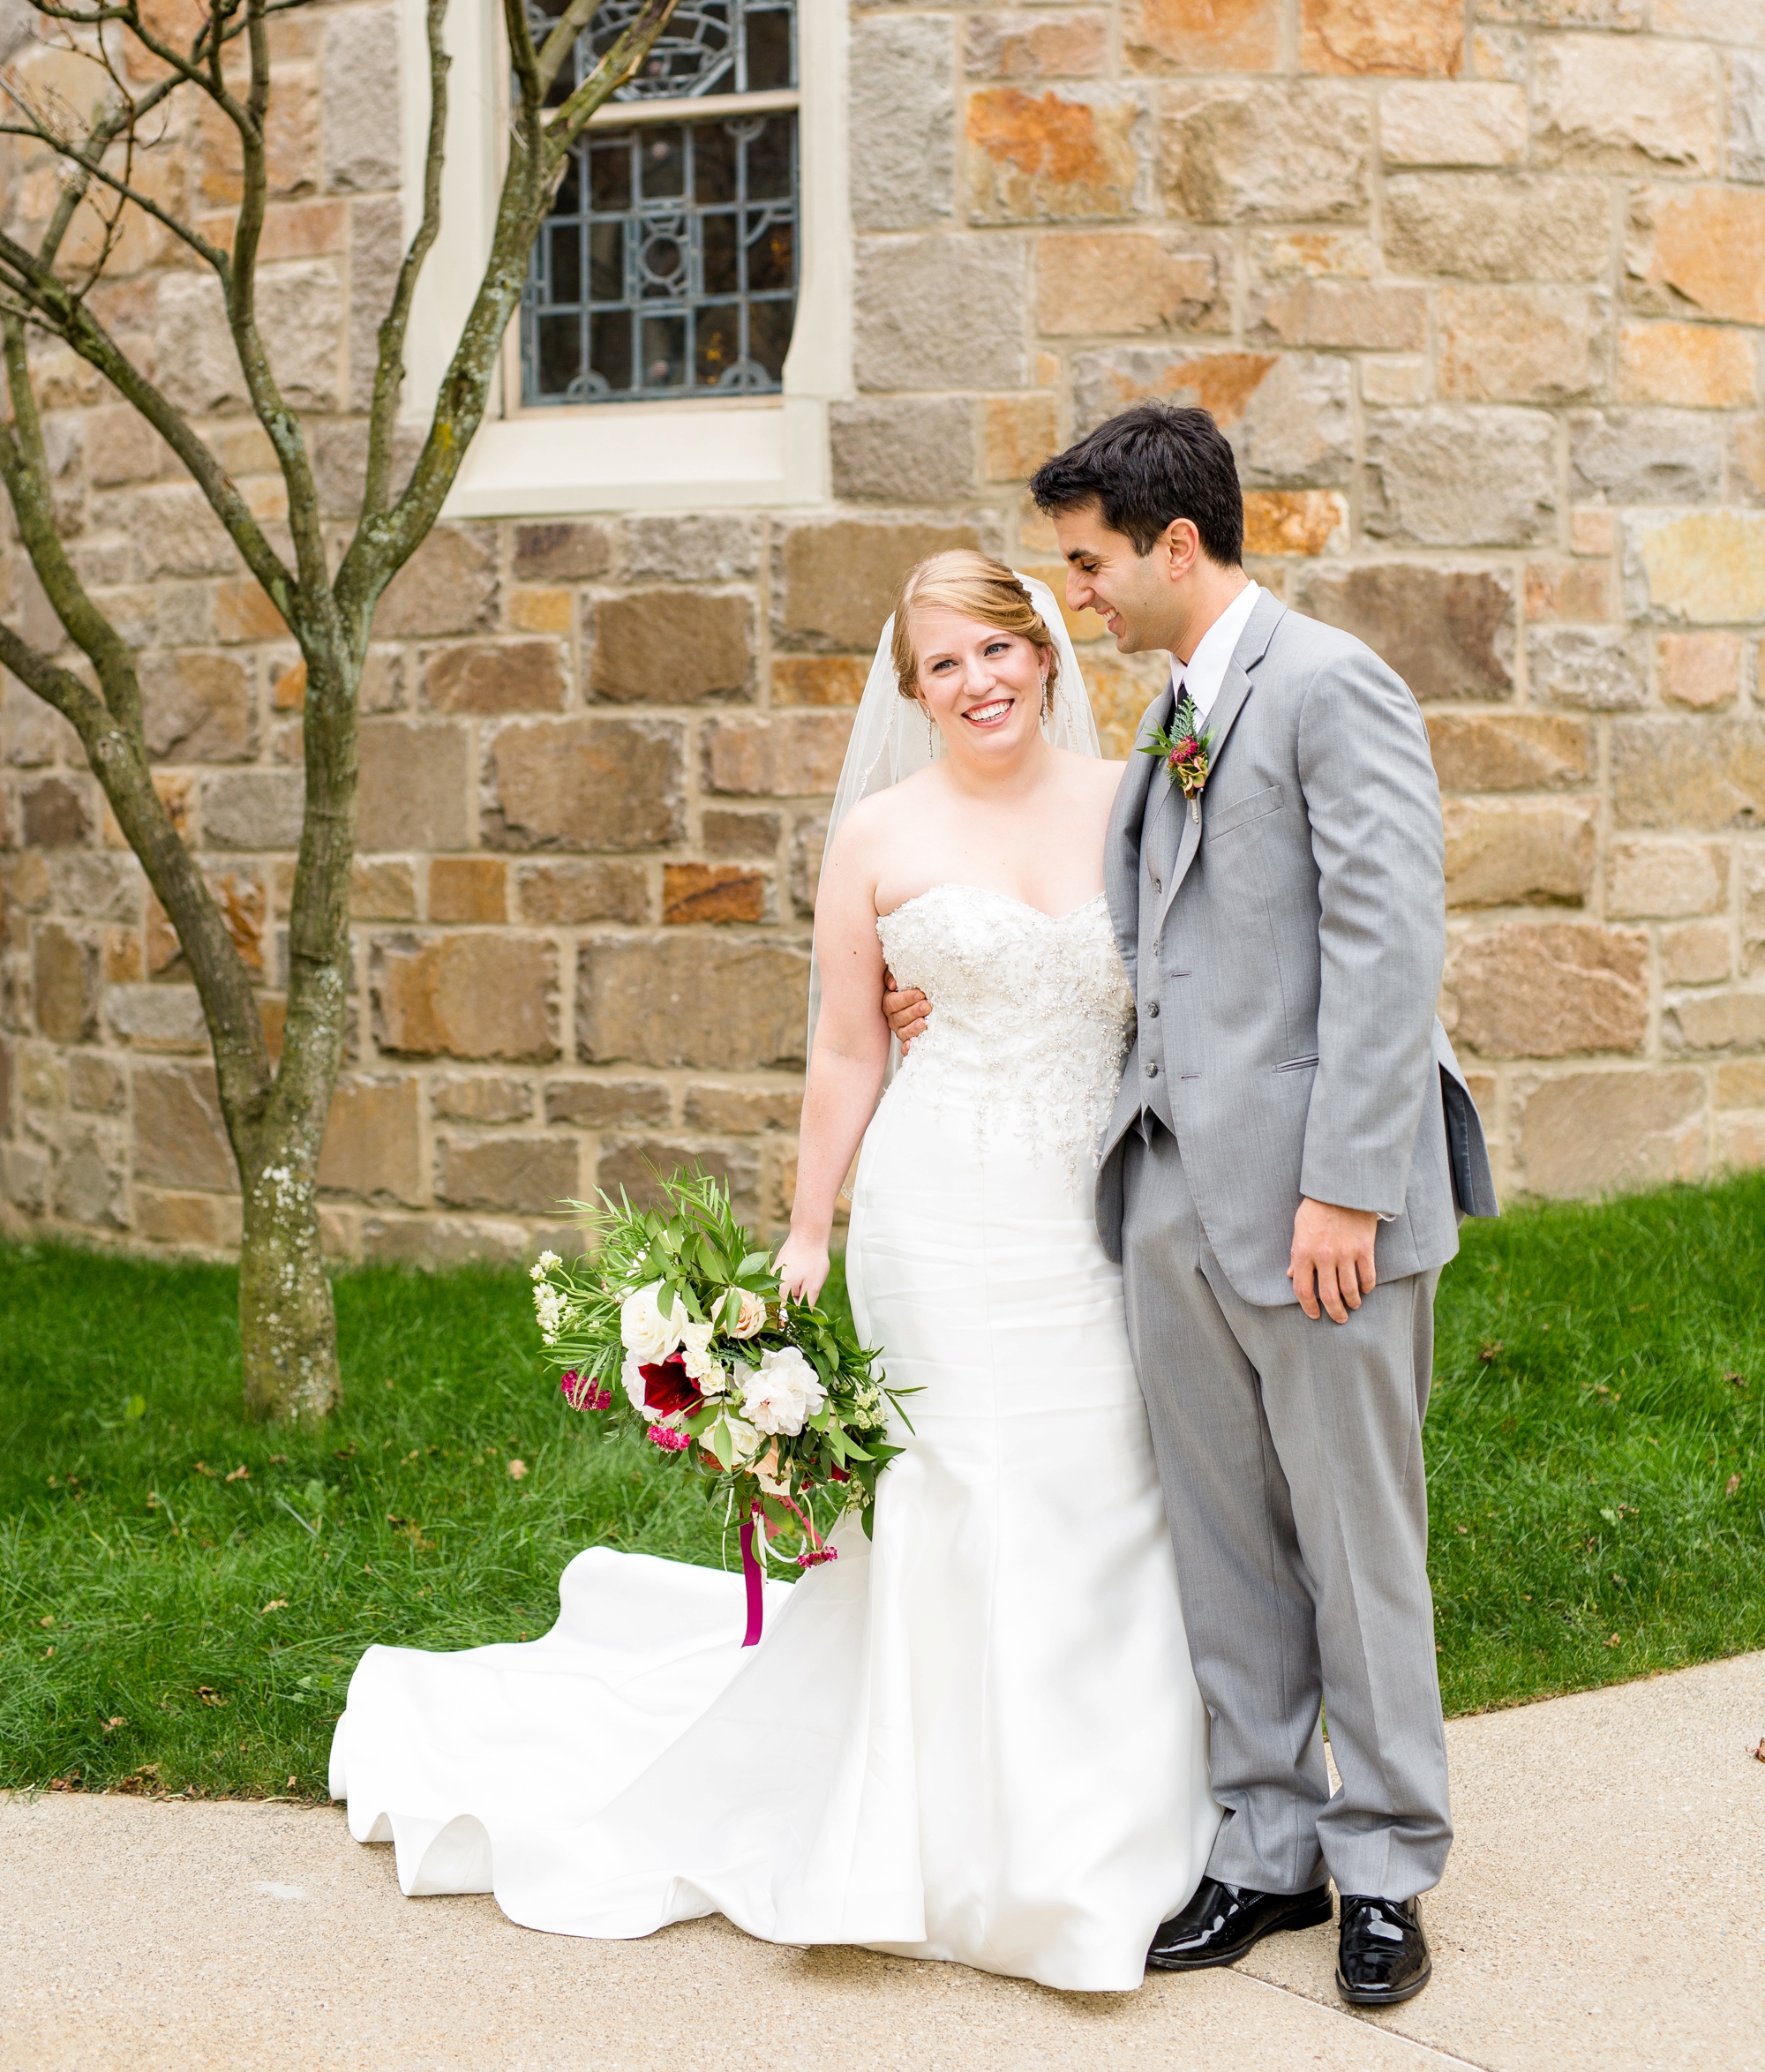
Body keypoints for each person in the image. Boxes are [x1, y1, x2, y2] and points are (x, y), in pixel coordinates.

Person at [330, 548, 1217, 1991]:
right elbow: (849, 1045)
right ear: (912, 687)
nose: (978, 683)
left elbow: (1189, 992)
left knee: (1110, 1484)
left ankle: (1116, 1826)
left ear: (1047, 655)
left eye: (998, 652)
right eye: (943, 665)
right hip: (940, 1210)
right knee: (971, 1483)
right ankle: (956, 1836)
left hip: (1101, 1207)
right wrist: (809, 1230)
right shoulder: (877, 835)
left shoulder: (1134, 810)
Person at [886, 405, 1496, 2009]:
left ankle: (1384, 1860)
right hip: (1164, 1197)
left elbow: (1387, 945)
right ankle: (1267, 1843)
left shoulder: (1328, 686)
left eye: (1086, 562)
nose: (1069, 592)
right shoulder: (1171, 711)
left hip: (1318, 1213)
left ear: (1173, 545)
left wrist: (1349, 1188)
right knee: (1225, 1545)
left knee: (1358, 1540)